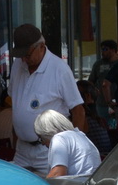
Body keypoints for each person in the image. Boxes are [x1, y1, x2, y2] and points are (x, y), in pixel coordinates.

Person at [7, 23, 86, 173]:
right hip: (22, 149)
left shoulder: (60, 69)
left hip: (49, 150)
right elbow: (16, 106)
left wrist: (73, 149)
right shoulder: (17, 65)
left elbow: (78, 111)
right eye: (21, 55)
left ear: (41, 46)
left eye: (27, 54)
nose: (24, 59)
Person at [35, 108, 101, 179]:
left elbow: (57, 174)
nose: (42, 143)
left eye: (41, 138)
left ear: (47, 133)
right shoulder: (81, 135)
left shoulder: (59, 138)